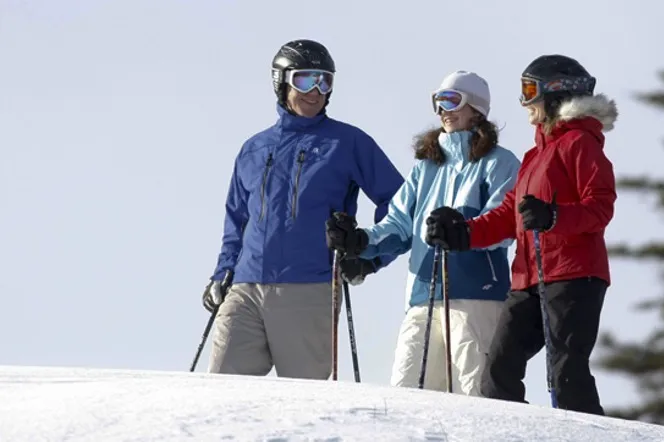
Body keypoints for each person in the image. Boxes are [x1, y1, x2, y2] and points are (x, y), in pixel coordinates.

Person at [422, 55, 618, 414]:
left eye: (530, 91)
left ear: (556, 94)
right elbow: (507, 216)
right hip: (528, 277)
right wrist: (462, 234)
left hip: (574, 275)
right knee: (498, 370)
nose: (525, 102)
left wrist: (554, 216)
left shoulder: (580, 144)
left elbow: (601, 207)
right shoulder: (534, 156)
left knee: (566, 374)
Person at [201, 39, 405, 379]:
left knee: (303, 402)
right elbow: (236, 221)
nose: (316, 91)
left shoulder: (347, 142)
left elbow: (400, 205)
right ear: (280, 82)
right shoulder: (253, 148)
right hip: (246, 288)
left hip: (310, 289)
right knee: (223, 392)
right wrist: (223, 271)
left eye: (325, 81)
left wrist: (368, 255)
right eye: (304, 80)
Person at [325, 71, 521, 395]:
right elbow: (399, 225)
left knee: (474, 394)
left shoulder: (499, 163)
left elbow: (504, 225)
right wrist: (360, 241)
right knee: (407, 394)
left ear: (477, 109)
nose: (443, 109)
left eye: (452, 100)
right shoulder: (426, 167)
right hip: (422, 298)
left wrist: (462, 230)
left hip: (476, 296)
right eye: (438, 101)